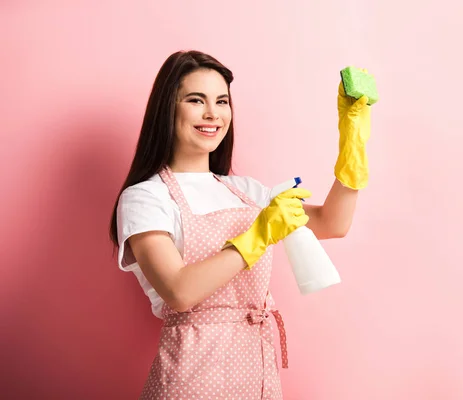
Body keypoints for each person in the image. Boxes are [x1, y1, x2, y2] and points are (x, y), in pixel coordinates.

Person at [108, 50, 372, 399]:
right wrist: (259, 234)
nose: (212, 114)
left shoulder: (246, 192)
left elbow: (332, 223)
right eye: (195, 100)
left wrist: (352, 145)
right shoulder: (146, 198)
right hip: (192, 378)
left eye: (222, 101)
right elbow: (179, 291)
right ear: (167, 108)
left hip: (258, 373)